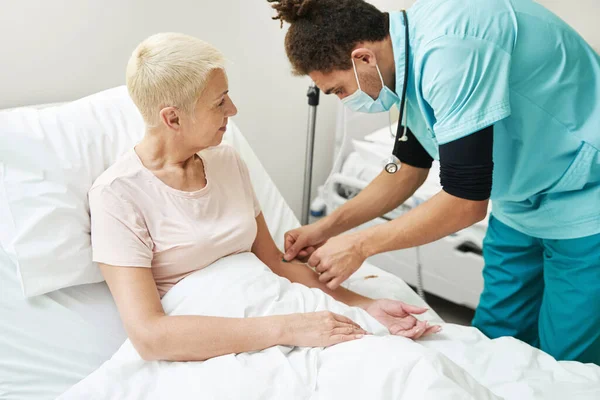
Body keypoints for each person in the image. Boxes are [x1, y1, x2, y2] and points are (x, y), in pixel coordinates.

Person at [269, 0, 600, 364]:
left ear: (362, 58)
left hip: (584, 197)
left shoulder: (450, 50)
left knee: (568, 361)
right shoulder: (404, 58)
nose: (345, 101)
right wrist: (327, 228)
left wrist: (359, 245)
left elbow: (465, 202)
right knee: (494, 342)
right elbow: (406, 165)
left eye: (339, 90)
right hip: (519, 201)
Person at [89, 32, 440, 362]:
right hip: (222, 343)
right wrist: (289, 328)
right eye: (219, 102)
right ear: (172, 118)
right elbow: (150, 337)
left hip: (278, 308)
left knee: (407, 364)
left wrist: (365, 305)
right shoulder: (118, 196)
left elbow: (275, 263)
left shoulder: (226, 161)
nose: (233, 110)